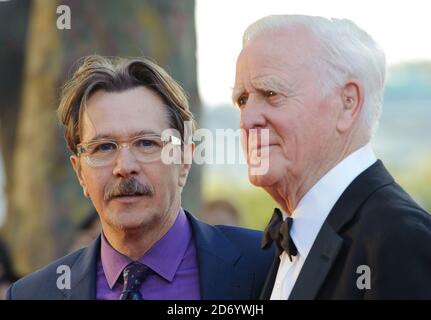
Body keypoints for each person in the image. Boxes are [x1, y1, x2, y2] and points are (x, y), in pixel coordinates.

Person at [8, 55, 273, 300]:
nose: (124, 166)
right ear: (80, 172)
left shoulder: (267, 267)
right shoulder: (32, 295)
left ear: (183, 161)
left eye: (146, 143)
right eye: (104, 147)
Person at [233, 15, 431, 299]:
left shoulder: (399, 239)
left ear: (347, 104)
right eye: (242, 100)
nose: (247, 119)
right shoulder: (294, 239)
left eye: (271, 93)